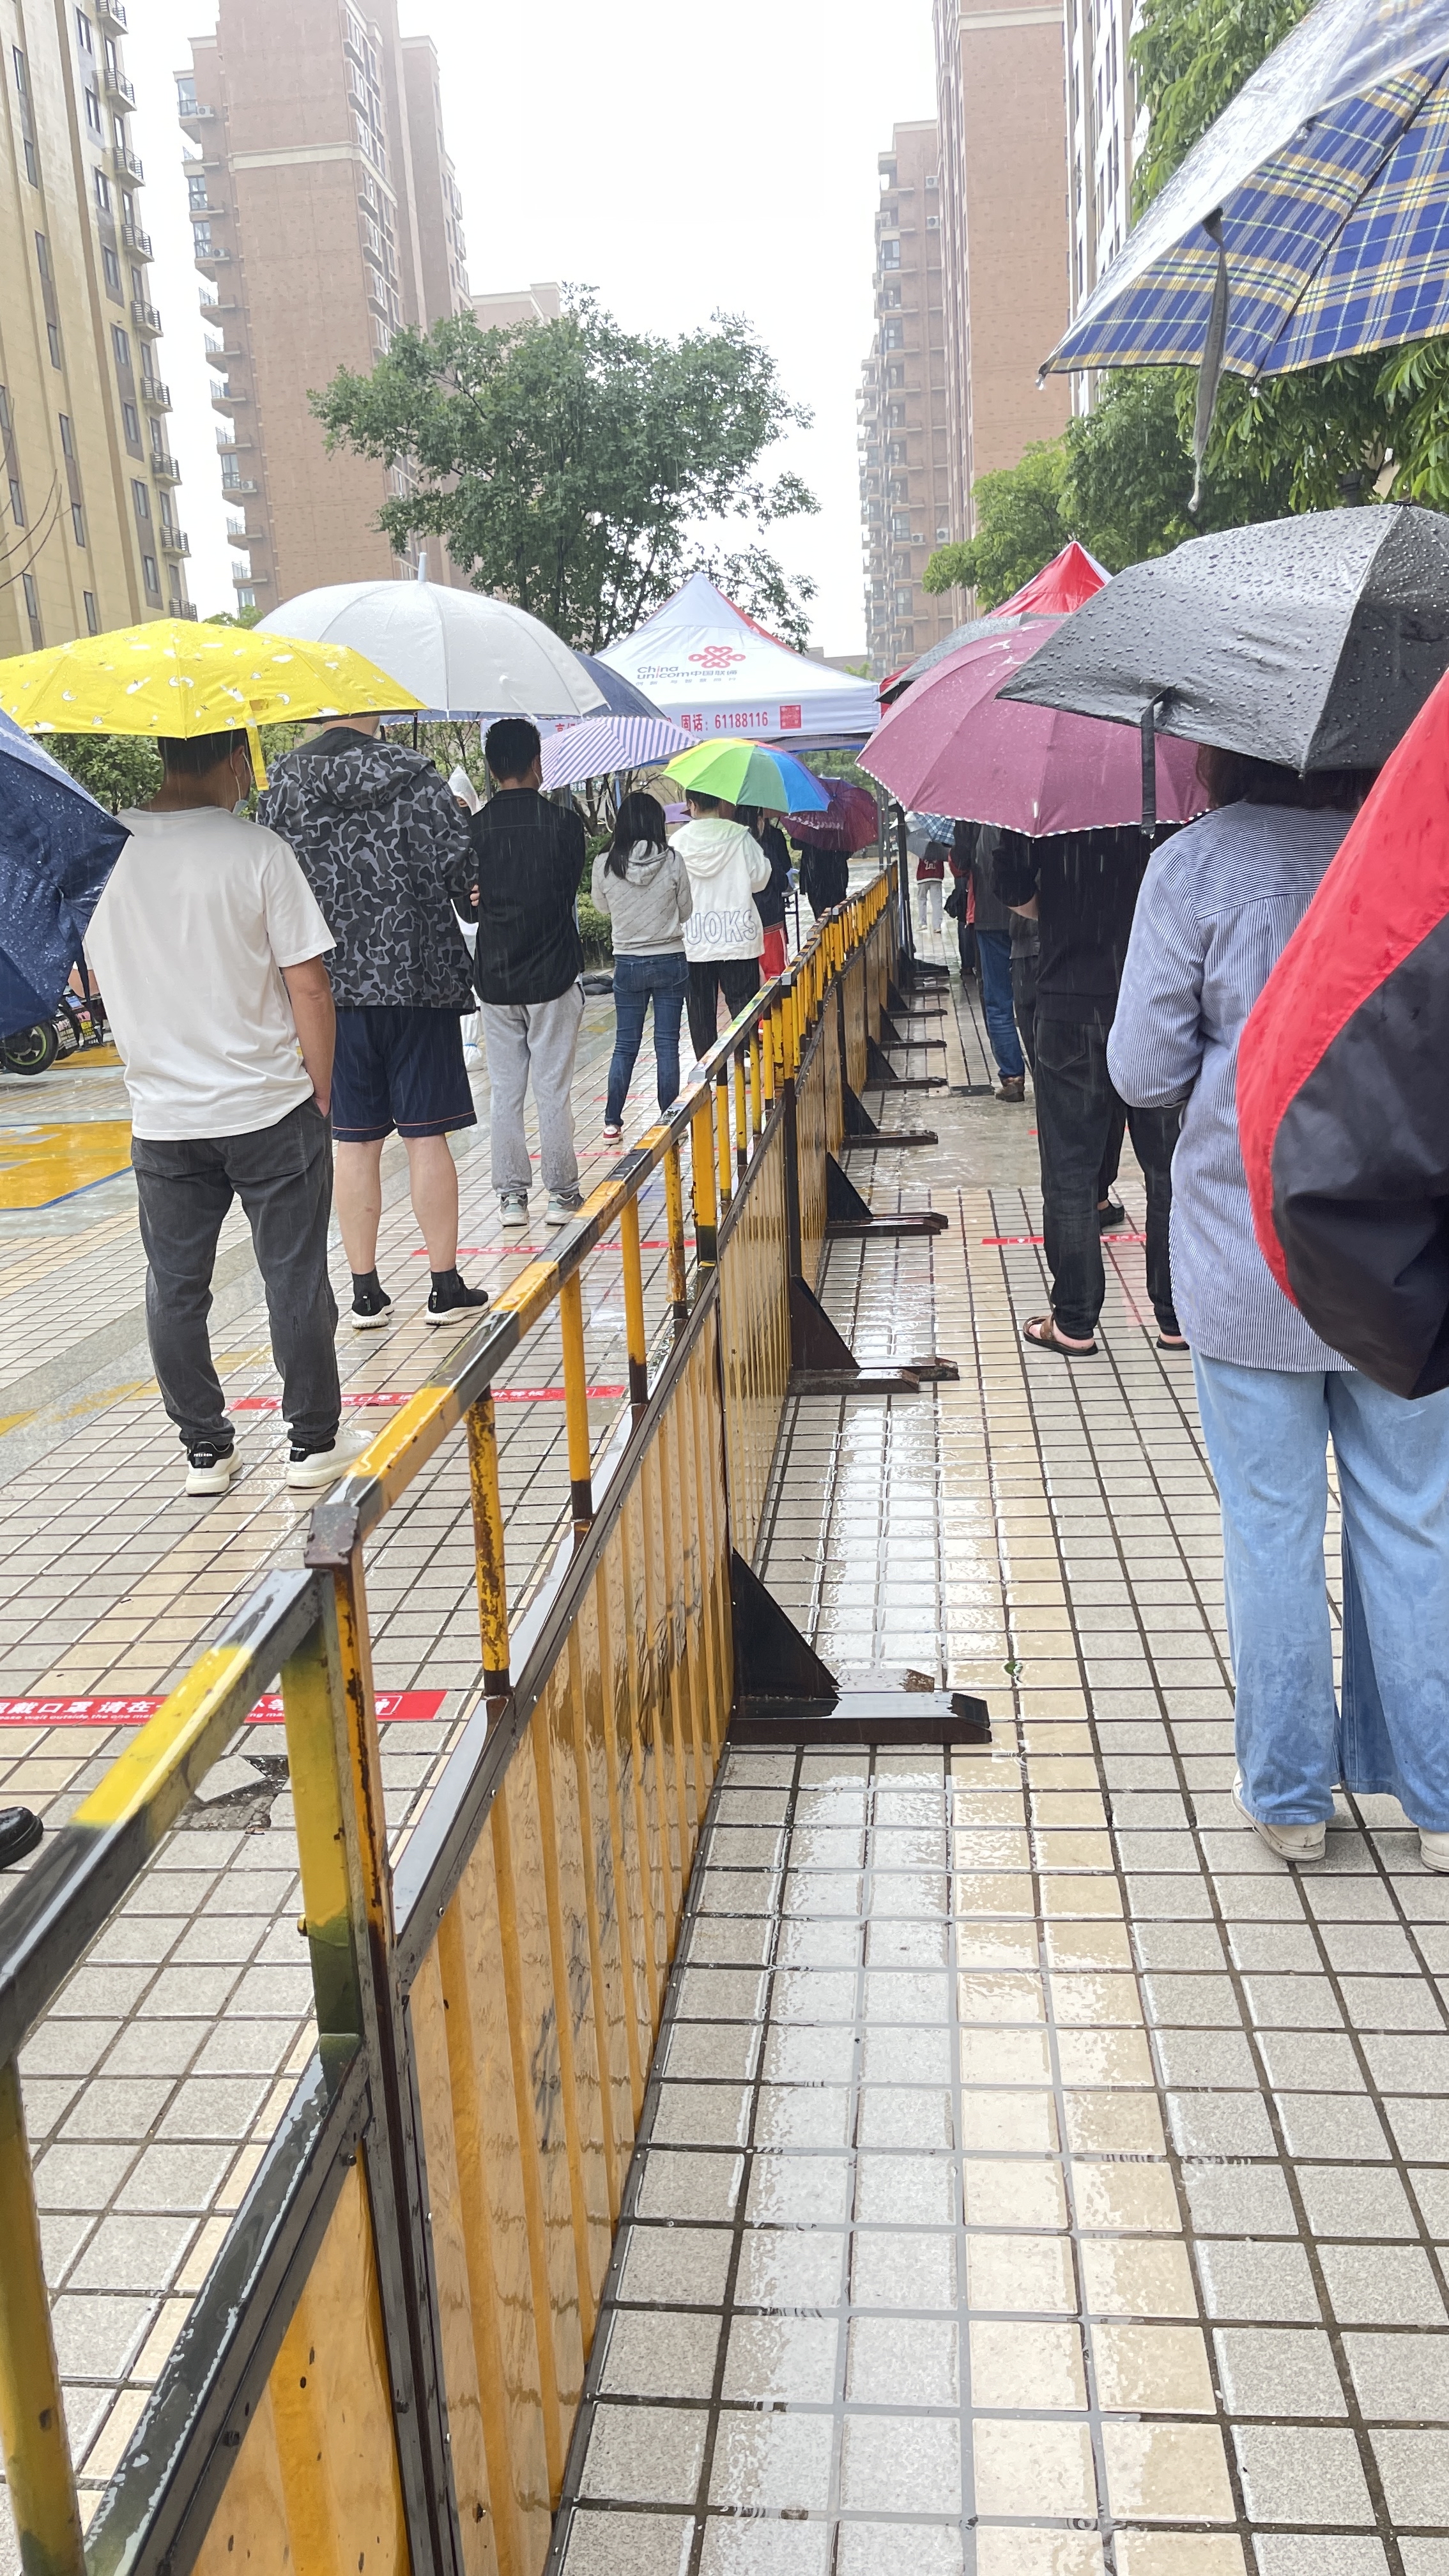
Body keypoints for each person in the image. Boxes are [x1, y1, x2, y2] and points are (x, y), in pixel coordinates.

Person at [1107, 751, 1449, 1873]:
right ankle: (1438, 1802)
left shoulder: (1192, 868)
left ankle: (1292, 1798)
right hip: (1403, 1258)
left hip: (1247, 1255)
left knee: (1269, 1529)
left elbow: (1142, 1071)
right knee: (1413, 1522)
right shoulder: (1416, 849)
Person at [84, 728, 370, 1495]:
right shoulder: (257, 852)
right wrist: (323, 1086)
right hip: (269, 1105)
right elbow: (309, 985)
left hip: (165, 1117)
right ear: (234, 756)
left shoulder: (104, 853)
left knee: (175, 1284)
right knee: (294, 1276)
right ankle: (312, 1443)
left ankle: (206, 1451)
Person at [259, 712, 487, 1331]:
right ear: (375, 713)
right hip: (418, 982)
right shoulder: (417, 778)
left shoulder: (282, 787)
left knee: (353, 1142)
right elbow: (464, 874)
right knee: (425, 1136)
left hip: (326, 990)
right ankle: (443, 1285)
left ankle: (364, 1293)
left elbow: (265, 885)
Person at [993, 824, 1183, 1354]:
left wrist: (1065, 913)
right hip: (1155, 1006)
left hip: (1070, 1005)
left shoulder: (1054, 801)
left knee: (1071, 1171)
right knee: (1168, 1167)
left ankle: (1075, 1321)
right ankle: (1177, 1315)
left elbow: (1009, 883)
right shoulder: (1164, 796)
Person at [468, 717, 588, 1229]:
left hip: (495, 979)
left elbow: (470, 910)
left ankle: (511, 1198)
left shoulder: (473, 832)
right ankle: (562, 1194)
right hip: (553, 973)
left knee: (505, 1090)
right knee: (552, 1088)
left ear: (493, 769)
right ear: (537, 762)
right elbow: (564, 894)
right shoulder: (563, 826)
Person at [1011, 907, 1126, 1227]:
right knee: (1108, 1096)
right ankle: (1098, 1195)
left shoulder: (1043, 860)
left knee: (1062, 1120)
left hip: (1041, 969)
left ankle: (1077, 1214)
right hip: (1100, 975)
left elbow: (1009, 885)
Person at [591, 790, 692, 1142]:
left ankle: (612, 1121)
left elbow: (601, 908)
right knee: (667, 1044)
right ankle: (670, 1120)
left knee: (625, 1044)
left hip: (628, 963)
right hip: (670, 958)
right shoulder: (673, 860)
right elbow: (687, 910)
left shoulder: (605, 863)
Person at [673, 789, 772, 1066]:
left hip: (694, 939)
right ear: (720, 801)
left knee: (700, 1008)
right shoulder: (740, 836)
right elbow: (760, 879)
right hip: (738, 935)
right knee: (742, 1003)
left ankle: (707, 1068)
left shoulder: (678, 841)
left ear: (691, 805)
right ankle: (749, 1061)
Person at [968, 822, 1028, 1103]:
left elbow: (966, 861)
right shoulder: (1033, 809)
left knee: (998, 1001)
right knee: (1034, 997)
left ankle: (1013, 1078)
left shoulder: (976, 815)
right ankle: (1047, 1071)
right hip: (1030, 916)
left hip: (991, 918)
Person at [741, 806, 793, 979]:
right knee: (776, 973)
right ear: (759, 822)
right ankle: (778, 1006)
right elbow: (780, 880)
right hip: (769, 917)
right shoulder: (765, 848)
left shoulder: (734, 848)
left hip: (742, 922)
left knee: (750, 976)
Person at [797, 839, 849, 923]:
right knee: (837, 913)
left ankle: (828, 932)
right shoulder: (839, 830)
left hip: (818, 877)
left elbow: (796, 844)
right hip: (832, 877)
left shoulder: (809, 829)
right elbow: (848, 852)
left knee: (823, 915)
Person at [915, 836, 945, 936]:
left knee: (922, 900)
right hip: (936, 877)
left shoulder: (921, 846)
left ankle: (922, 923)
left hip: (923, 877)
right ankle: (937, 926)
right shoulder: (940, 846)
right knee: (937, 903)